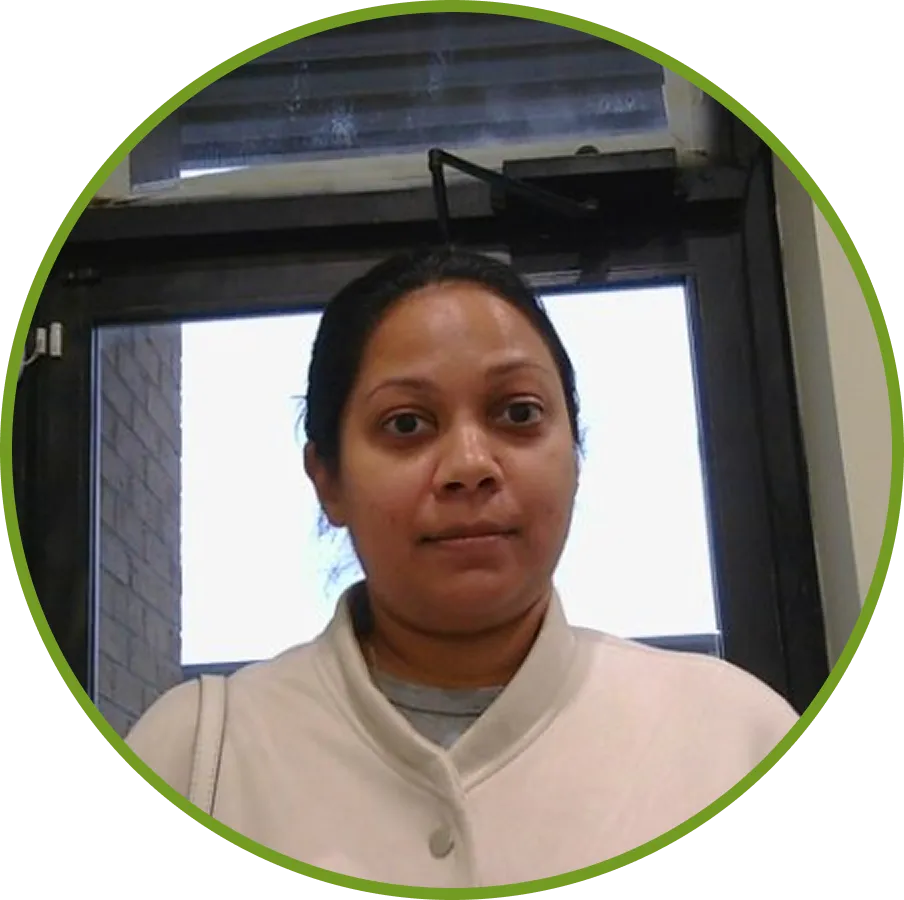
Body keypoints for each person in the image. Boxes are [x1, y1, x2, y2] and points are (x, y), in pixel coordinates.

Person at [125, 247, 800, 889]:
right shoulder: (196, 757)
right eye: (407, 425)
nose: (471, 466)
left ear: (575, 451)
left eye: (519, 413)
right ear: (327, 479)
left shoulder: (733, 737)